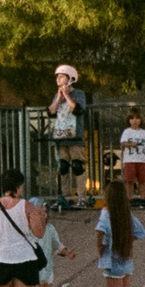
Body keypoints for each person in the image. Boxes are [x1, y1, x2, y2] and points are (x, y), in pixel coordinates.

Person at [24, 195, 73, 287]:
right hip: (28, 271)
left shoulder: (50, 229)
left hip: (45, 270)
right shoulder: (26, 231)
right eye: (41, 212)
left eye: (45, 212)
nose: (44, 215)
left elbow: (58, 246)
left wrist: (66, 252)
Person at [95, 177, 145, 287]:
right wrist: (126, 239)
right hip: (126, 260)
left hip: (112, 261)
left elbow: (101, 233)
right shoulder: (126, 213)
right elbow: (140, 231)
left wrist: (101, 249)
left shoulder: (106, 213)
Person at [49, 65, 92, 208]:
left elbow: (78, 110)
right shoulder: (56, 95)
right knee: (62, 167)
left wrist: (67, 95)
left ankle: (82, 198)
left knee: (78, 166)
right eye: (57, 77)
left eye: (61, 76)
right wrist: (59, 97)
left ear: (70, 78)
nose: (58, 79)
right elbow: (51, 111)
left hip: (75, 135)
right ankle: (64, 197)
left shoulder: (79, 93)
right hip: (60, 137)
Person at [118, 109, 145, 205]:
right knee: (129, 180)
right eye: (132, 119)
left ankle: (143, 197)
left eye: (137, 118)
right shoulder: (127, 132)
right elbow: (123, 142)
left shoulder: (143, 132)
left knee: (143, 180)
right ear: (129, 121)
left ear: (140, 120)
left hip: (142, 159)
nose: (135, 121)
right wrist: (131, 144)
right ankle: (128, 198)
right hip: (130, 159)